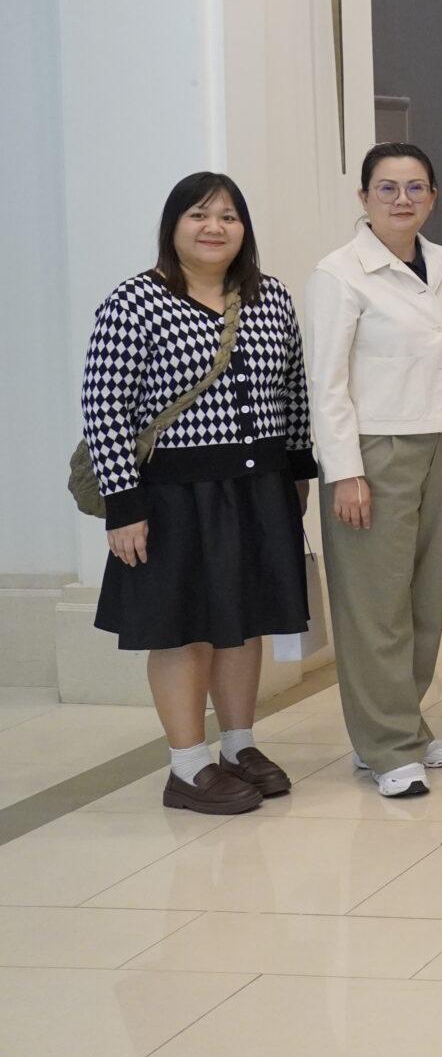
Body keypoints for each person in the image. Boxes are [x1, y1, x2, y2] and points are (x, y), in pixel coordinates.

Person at [82, 173, 316, 814]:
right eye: (199, 215)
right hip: (174, 496)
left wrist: (297, 473)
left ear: (244, 229)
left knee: (244, 623)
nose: (215, 227)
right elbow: (104, 408)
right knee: (182, 629)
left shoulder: (269, 297)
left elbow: (293, 390)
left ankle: (238, 747)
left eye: (229, 216)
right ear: (174, 226)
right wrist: (123, 504)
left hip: (258, 486)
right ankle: (186, 766)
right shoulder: (134, 301)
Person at [306, 142, 442, 798]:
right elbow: (326, 384)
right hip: (375, 453)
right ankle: (385, 745)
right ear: (364, 197)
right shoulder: (339, 273)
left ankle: (405, 723)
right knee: (375, 608)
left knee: (425, 601)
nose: (403, 199)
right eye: (387, 187)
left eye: (415, 187)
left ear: (432, 195)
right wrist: (345, 472)